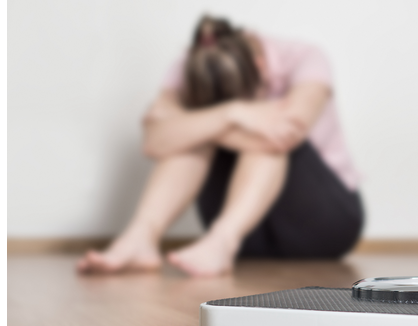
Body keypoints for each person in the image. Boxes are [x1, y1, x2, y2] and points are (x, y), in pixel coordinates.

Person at [77, 16, 363, 277]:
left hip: (323, 225)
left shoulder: (304, 56)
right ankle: (141, 237)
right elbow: (153, 141)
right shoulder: (193, 64)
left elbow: (286, 132)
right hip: (250, 239)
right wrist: (232, 114)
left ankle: (222, 240)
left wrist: (204, 123)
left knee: (264, 136)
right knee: (193, 135)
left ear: (260, 67)